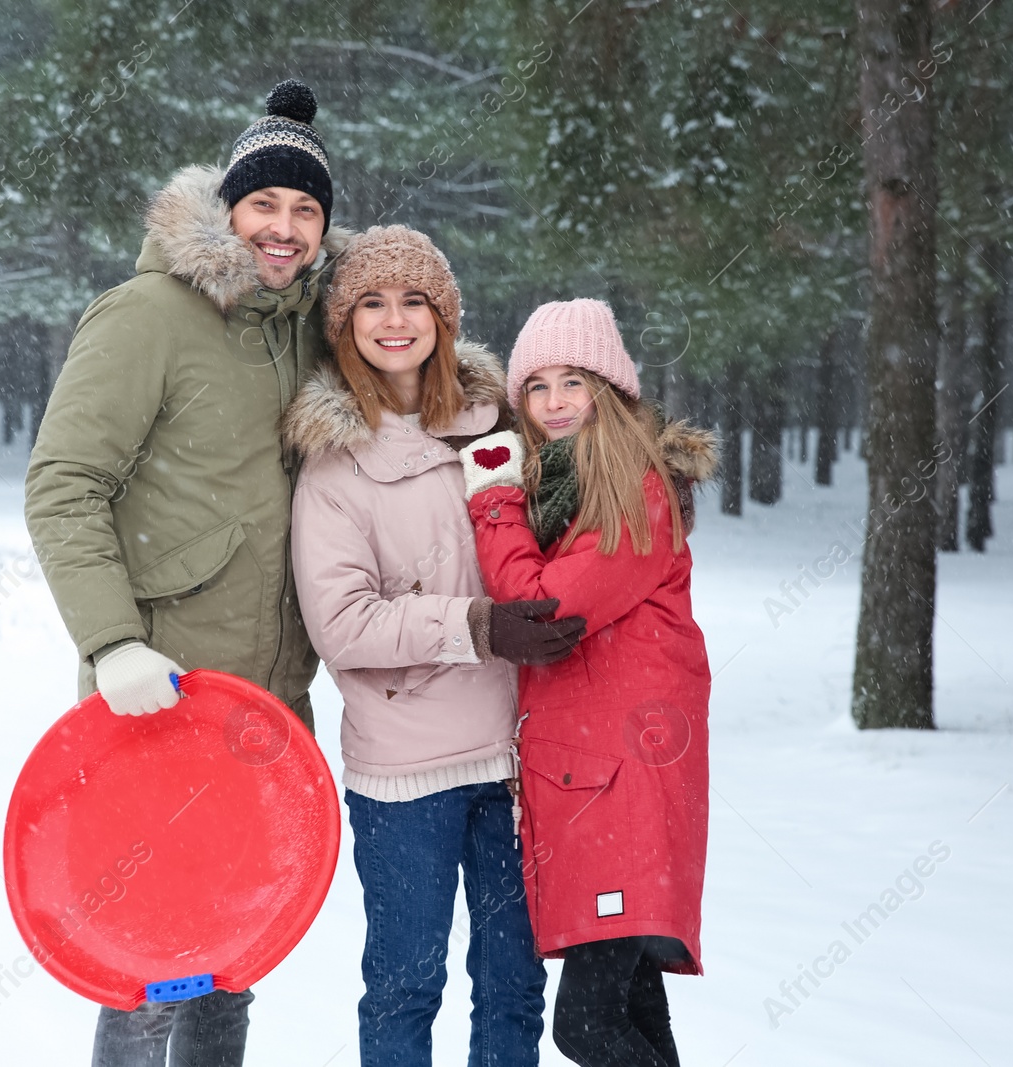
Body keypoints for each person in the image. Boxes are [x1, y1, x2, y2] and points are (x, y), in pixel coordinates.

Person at [25, 79, 349, 1067]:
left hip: (265, 715)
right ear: (228, 210)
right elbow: (63, 484)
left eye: (306, 209)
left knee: (230, 961)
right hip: (152, 709)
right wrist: (111, 639)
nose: (284, 228)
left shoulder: (311, 328)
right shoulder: (144, 317)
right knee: (146, 966)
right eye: (266, 204)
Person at [283, 226, 581, 1067]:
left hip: (518, 757)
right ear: (344, 326)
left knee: (515, 983)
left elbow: (580, 513)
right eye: (371, 303)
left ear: (444, 316)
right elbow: (341, 622)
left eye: (415, 300)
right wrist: (476, 625)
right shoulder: (333, 464)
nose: (394, 320)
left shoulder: (501, 426)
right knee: (408, 983)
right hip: (405, 773)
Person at [453, 299, 719, 1067]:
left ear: (610, 389)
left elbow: (544, 610)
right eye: (536, 386)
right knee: (636, 1006)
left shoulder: (633, 490)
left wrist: (493, 500)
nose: (555, 402)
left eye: (574, 381)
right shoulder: (565, 491)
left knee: (585, 1023)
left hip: (623, 788)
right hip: (596, 784)